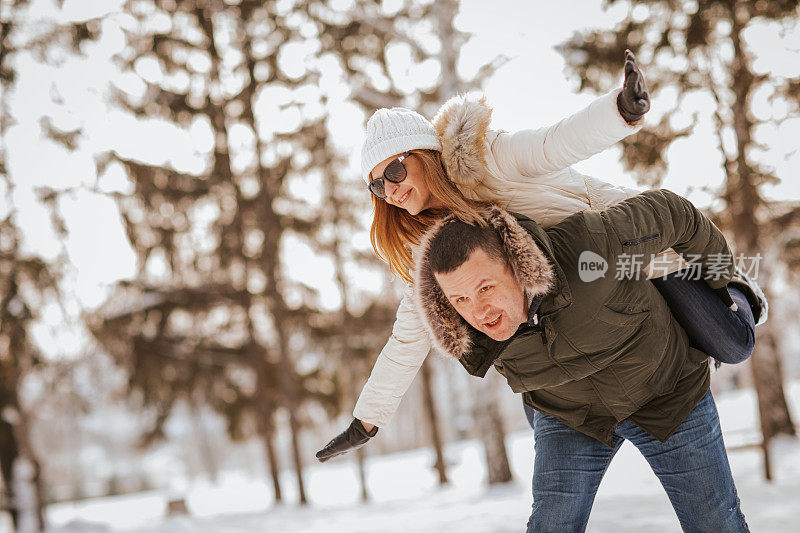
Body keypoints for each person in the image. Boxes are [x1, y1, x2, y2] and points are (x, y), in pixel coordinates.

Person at [315, 51, 766, 462]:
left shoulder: (485, 158)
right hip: (576, 304)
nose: (390, 189)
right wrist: (366, 421)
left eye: (395, 169)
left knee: (733, 343)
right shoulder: (431, 248)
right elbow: (409, 336)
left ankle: (739, 293)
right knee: (547, 406)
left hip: (626, 253)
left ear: (426, 155)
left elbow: (556, 142)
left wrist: (620, 111)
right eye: (377, 184)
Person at [413, 190, 749, 532]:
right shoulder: (469, 334)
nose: (478, 312)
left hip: (667, 391)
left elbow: (676, 213)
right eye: (460, 298)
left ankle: (744, 294)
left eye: (485, 288)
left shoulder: (590, 249)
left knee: (715, 522)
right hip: (570, 416)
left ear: (515, 264)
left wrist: (720, 292)